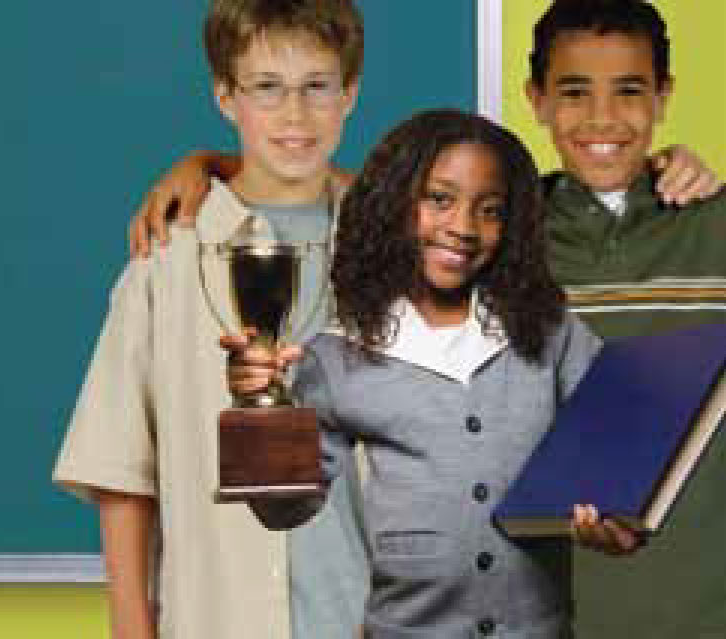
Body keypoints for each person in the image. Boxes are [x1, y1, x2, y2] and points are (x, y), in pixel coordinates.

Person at [225, 109, 640, 638]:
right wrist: (260, 406)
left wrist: (625, 517)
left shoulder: (548, 334)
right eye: (439, 200)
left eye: (490, 210)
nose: (463, 228)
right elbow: (284, 510)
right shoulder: (338, 355)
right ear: (392, 203)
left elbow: (621, 439)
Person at [53, 2, 370, 638]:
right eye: (267, 89)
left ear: (350, 94)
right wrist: (131, 626)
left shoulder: (390, 252)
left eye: (317, 87)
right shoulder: (167, 259)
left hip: (364, 611)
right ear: (226, 96)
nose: (295, 115)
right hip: (218, 616)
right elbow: (122, 469)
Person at [522, 2, 726, 637]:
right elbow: (368, 207)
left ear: (664, 96)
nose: (603, 119)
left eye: (629, 91)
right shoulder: (501, 237)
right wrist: (209, 168)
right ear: (537, 100)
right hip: (552, 611)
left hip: (701, 608)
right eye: (574, 93)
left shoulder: (715, 223)